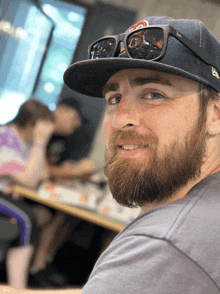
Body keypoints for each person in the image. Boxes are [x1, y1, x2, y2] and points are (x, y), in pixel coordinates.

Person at [2, 15, 220, 293]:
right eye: (115, 99)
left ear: (214, 116)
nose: (120, 119)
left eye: (154, 94)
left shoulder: (166, 245)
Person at [29, 97, 94, 288]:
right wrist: (71, 172)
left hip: (35, 190)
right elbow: (39, 170)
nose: (77, 124)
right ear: (61, 110)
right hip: (21, 190)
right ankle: (36, 267)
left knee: (64, 214)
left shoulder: (59, 139)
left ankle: (42, 264)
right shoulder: (39, 128)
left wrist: (68, 171)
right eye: (74, 118)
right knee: (52, 214)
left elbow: (51, 167)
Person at [0, 99, 55, 288]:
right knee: (27, 219)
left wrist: (39, 145)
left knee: (43, 214)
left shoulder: (24, 142)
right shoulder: (5, 137)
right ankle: (18, 288)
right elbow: (30, 179)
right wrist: (40, 142)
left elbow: (43, 174)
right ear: (32, 124)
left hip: (6, 196)